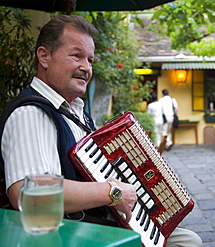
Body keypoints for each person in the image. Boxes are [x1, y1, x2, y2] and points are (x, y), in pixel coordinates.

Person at [0, 15, 201, 247]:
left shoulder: (75, 112)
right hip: (68, 235)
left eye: (90, 60)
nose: (86, 67)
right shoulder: (32, 114)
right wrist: (113, 192)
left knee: (187, 239)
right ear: (44, 56)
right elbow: (26, 193)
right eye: (76, 56)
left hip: (96, 223)